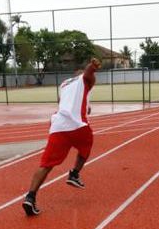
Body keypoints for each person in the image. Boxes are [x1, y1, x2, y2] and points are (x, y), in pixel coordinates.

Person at [22, 57, 101, 216]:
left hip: (58, 125)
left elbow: (62, 102)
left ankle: (30, 197)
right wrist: (92, 67)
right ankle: (74, 173)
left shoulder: (64, 85)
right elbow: (88, 75)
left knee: (46, 164)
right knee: (87, 145)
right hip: (77, 126)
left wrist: (86, 107)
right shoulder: (84, 80)